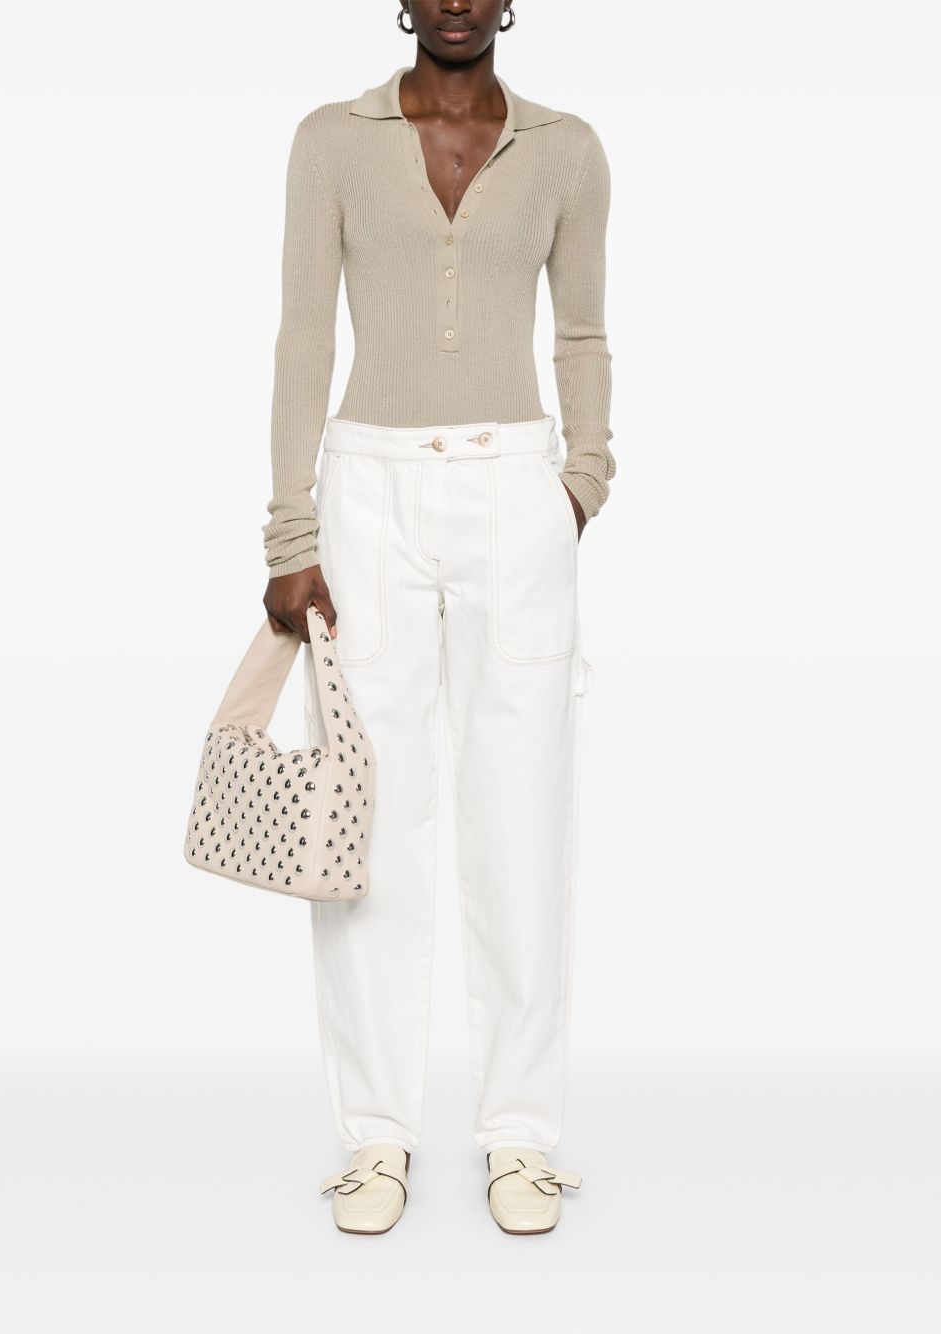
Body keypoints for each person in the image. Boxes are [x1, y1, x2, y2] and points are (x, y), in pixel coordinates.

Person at [260, 0, 613, 1236]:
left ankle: (519, 1134)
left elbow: (582, 329)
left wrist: (580, 482)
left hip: (516, 491)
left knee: (522, 809)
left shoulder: (566, 147)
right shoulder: (330, 139)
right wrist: (292, 529)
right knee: (369, 815)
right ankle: (376, 1136)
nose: (456, 0)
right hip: (369, 493)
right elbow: (305, 334)